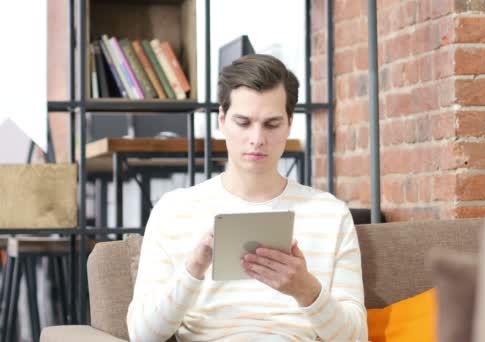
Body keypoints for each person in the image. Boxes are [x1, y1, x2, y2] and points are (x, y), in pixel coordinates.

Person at [127, 54, 367, 341]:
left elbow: (356, 337)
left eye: (271, 124)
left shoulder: (330, 214)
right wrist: (193, 269)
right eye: (243, 122)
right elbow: (142, 335)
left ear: (290, 124)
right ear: (222, 120)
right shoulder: (173, 210)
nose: (257, 138)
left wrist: (307, 290)